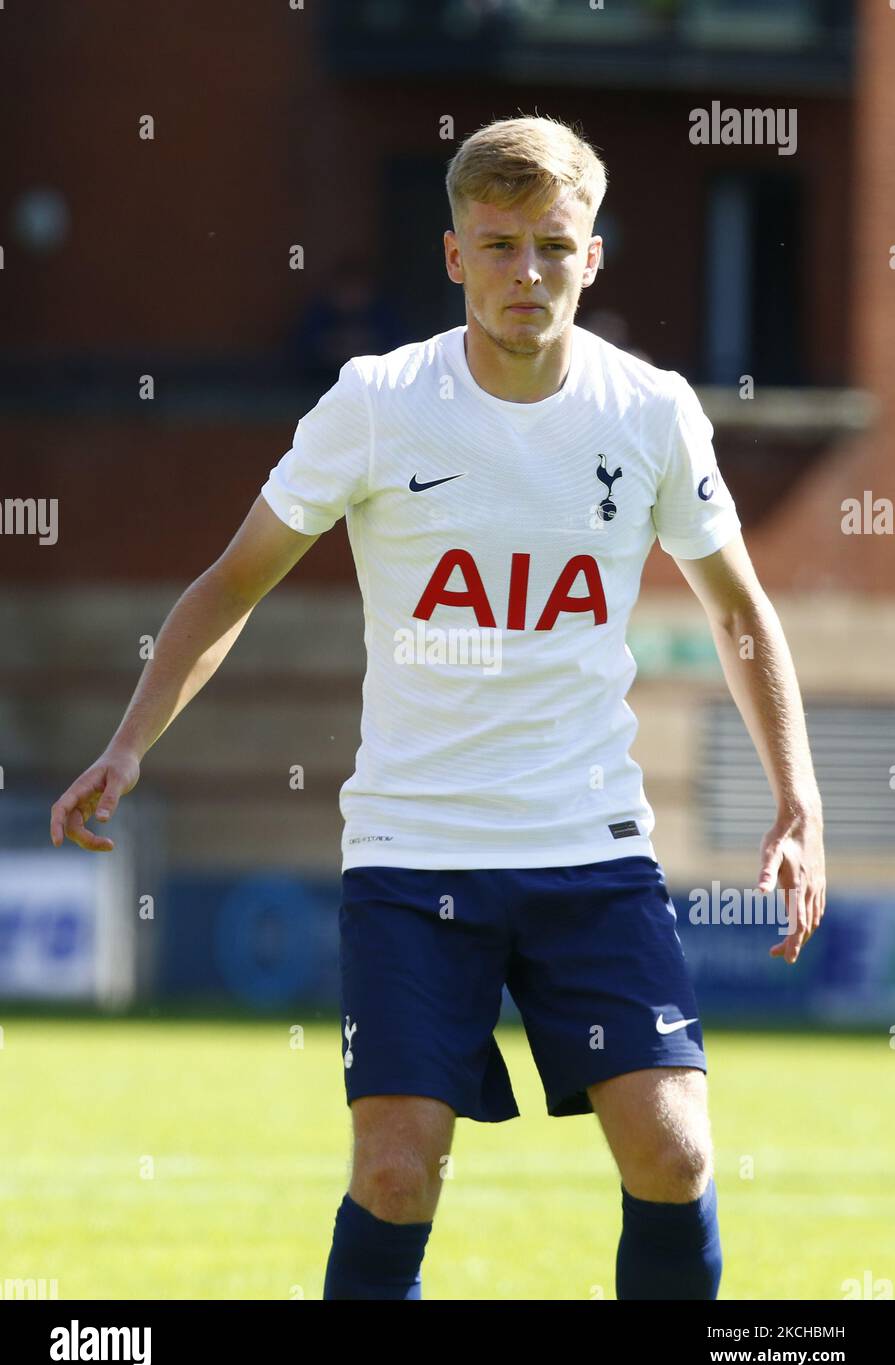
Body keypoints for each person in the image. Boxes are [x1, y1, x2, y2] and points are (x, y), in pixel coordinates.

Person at [50, 114, 826, 1301]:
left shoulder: (652, 411)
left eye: (553, 246)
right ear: (454, 254)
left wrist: (796, 797)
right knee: (399, 1172)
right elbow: (232, 585)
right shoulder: (377, 402)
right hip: (416, 856)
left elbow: (739, 609)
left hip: (592, 850)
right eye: (499, 244)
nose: (527, 272)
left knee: (673, 1156)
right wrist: (128, 743)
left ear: (593, 256)